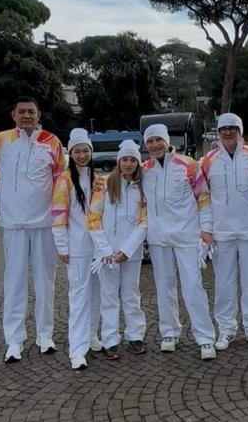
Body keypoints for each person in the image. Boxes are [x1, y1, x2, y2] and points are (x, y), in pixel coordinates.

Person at [0, 96, 67, 362]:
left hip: (44, 224)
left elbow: (61, 181)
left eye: (31, 111)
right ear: (13, 115)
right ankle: (14, 340)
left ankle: (45, 335)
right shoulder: (0, 141)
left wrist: (61, 220)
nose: (27, 116)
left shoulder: (52, 142)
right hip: (13, 225)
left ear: (38, 114)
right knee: (14, 283)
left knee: (45, 283)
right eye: (22, 112)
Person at [141, 124, 217, 360]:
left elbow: (203, 197)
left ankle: (205, 337)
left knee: (193, 286)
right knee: (164, 288)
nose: (155, 145)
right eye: (150, 141)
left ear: (167, 141)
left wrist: (206, 229)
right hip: (158, 240)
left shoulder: (188, 164)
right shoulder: (144, 170)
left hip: (187, 236)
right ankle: (170, 332)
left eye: (158, 140)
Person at [199, 113, 248, 351]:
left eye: (233, 128)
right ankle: (226, 329)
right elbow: (204, 197)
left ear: (240, 131)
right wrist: (206, 229)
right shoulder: (208, 160)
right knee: (224, 284)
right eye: (223, 129)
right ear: (218, 132)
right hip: (222, 233)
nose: (228, 132)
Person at [87, 140, 148, 360]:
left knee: (131, 294)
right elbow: (93, 218)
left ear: (138, 162)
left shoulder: (143, 188)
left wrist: (127, 250)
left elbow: (144, 222)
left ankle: (135, 335)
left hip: (130, 253)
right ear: (119, 161)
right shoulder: (104, 185)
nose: (128, 163)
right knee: (109, 295)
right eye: (125, 159)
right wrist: (105, 249)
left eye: (133, 160)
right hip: (106, 254)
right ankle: (110, 339)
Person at [52, 128, 102, 370]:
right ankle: (77, 349)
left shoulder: (98, 179)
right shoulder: (64, 180)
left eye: (86, 151)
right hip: (77, 246)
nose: (82, 155)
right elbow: (58, 214)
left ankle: (92, 334)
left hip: (98, 248)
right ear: (71, 154)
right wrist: (62, 245)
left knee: (97, 295)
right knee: (79, 297)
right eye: (77, 152)